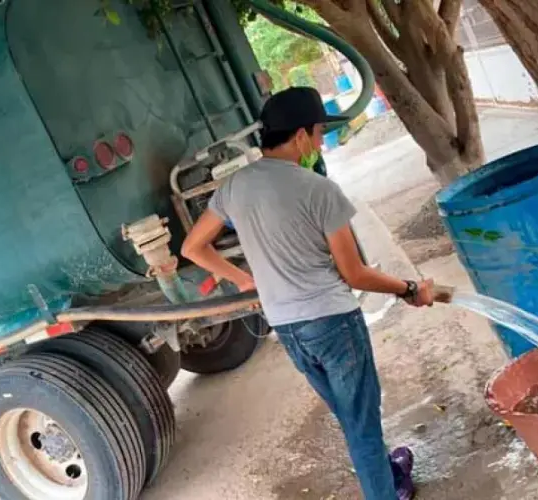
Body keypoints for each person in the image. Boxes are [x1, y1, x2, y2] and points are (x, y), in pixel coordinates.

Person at [181, 87, 434, 500]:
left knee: (351, 415)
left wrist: (242, 279)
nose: (319, 144)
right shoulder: (319, 190)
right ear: (300, 135)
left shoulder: (235, 187)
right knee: (362, 425)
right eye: (317, 134)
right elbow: (355, 274)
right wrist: (409, 289)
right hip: (333, 324)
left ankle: (388, 474)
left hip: (288, 328)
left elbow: (192, 247)